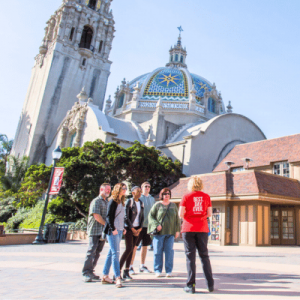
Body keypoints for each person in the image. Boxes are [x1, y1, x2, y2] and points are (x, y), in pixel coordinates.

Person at [179, 176, 214, 294]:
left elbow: (180, 213)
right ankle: (210, 284)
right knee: (204, 256)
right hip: (202, 228)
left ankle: (191, 285)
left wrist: (189, 216)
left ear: (190, 185)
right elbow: (209, 214)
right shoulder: (206, 197)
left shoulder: (186, 196)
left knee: (190, 257)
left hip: (188, 228)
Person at [148, 188, 180, 277]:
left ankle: (169, 271)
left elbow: (177, 219)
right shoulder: (157, 205)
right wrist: (156, 224)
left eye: (168, 194)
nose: (167, 195)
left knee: (169, 252)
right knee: (157, 252)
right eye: (165, 194)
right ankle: (157, 270)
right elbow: (151, 216)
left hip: (170, 233)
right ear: (161, 195)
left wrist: (177, 230)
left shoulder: (173, 205)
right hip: (159, 234)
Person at [82, 183, 111, 282]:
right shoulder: (96, 201)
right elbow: (96, 216)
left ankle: (91, 271)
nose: (108, 191)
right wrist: (107, 224)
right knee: (91, 251)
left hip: (102, 231)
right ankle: (86, 272)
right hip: (94, 230)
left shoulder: (106, 202)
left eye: (109, 190)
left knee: (97, 252)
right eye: (107, 189)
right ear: (101, 189)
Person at [102, 183, 127, 288]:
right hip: (113, 231)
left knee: (111, 253)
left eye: (126, 188)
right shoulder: (112, 201)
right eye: (123, 188)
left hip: (120, 230)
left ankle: (105, 275)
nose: (125, 190)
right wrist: (113, 229)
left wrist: (123, 227)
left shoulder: (122, 201)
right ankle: (117, 277)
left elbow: (121, 217)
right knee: (116, 253)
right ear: (118, 189)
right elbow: (109, 217)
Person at [129, 181, 155, 275]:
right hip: (138, 226)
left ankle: (142, 265)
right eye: (145, 186)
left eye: (148, 186)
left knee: (145, 246)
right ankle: (130, 266)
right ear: (141, 188)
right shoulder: (139, 197)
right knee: (134, 246)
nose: (147, 188)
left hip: (148, 226)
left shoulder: (152, 199)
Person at [120, 186, 144, 280]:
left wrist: (140, 227)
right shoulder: (129, 202)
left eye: (140, 191)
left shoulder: (141, 202)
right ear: (132, 192)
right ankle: (118, 271)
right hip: (129, 228)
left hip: (138, 228)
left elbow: (142, 216)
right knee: (128, 248)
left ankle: (127, 271)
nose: (139, 193)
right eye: (137, 191)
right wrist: (132, 228)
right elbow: (126, 216)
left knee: (132, 249)